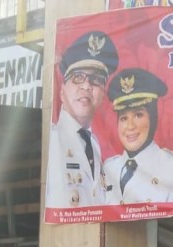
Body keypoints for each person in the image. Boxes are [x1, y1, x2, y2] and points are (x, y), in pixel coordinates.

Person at [46, 31, 119, 208]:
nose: (86, 86)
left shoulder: (94, 143)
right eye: (78, 77)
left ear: (102, 94)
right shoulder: (51, 140)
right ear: (62, 91)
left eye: (96, 80)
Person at [104, 69, 173, 204]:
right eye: (123, 118)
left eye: (138, 115)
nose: (130, 126)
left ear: (153, 118)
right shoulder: (108, 168)